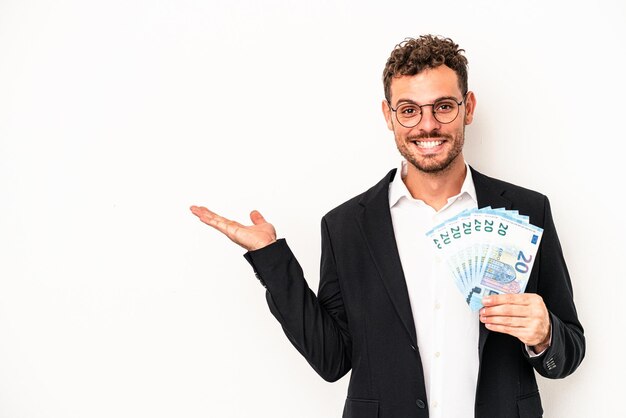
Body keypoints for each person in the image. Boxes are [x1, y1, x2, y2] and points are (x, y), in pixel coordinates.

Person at [190, 35, 585, 418]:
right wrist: (270, 259)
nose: (427, 126)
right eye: (409, 110)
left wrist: (546, 334)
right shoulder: (346, 226)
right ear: (388, 115)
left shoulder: (529, 211)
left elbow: (568, 353)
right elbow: (332, 360)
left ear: (468, 108)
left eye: (443, 106)